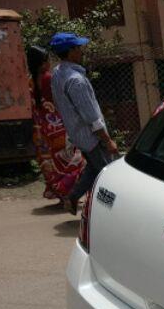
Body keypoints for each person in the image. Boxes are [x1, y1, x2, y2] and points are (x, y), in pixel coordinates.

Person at [49, 32, 118, 215]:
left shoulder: (57, 73)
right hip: (91, 137)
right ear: (70, 52)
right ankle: (106, 212)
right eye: (78, 48)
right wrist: (107, 140)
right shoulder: (76, 81)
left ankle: (73, 197)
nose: (81, 51)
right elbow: (91, 117)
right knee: (108, 174)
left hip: (78, 134)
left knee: (94, 168)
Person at [26, 46, 86, 204]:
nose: (49, 63)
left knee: (52, 163)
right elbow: (59, 100)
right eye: (47, 60)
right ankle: (68, 194)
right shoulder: (48, 78)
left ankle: (62, 195)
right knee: (76, 160)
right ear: (42, 63)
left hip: (42, 130)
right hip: (59, 127)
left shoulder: (30, 81)